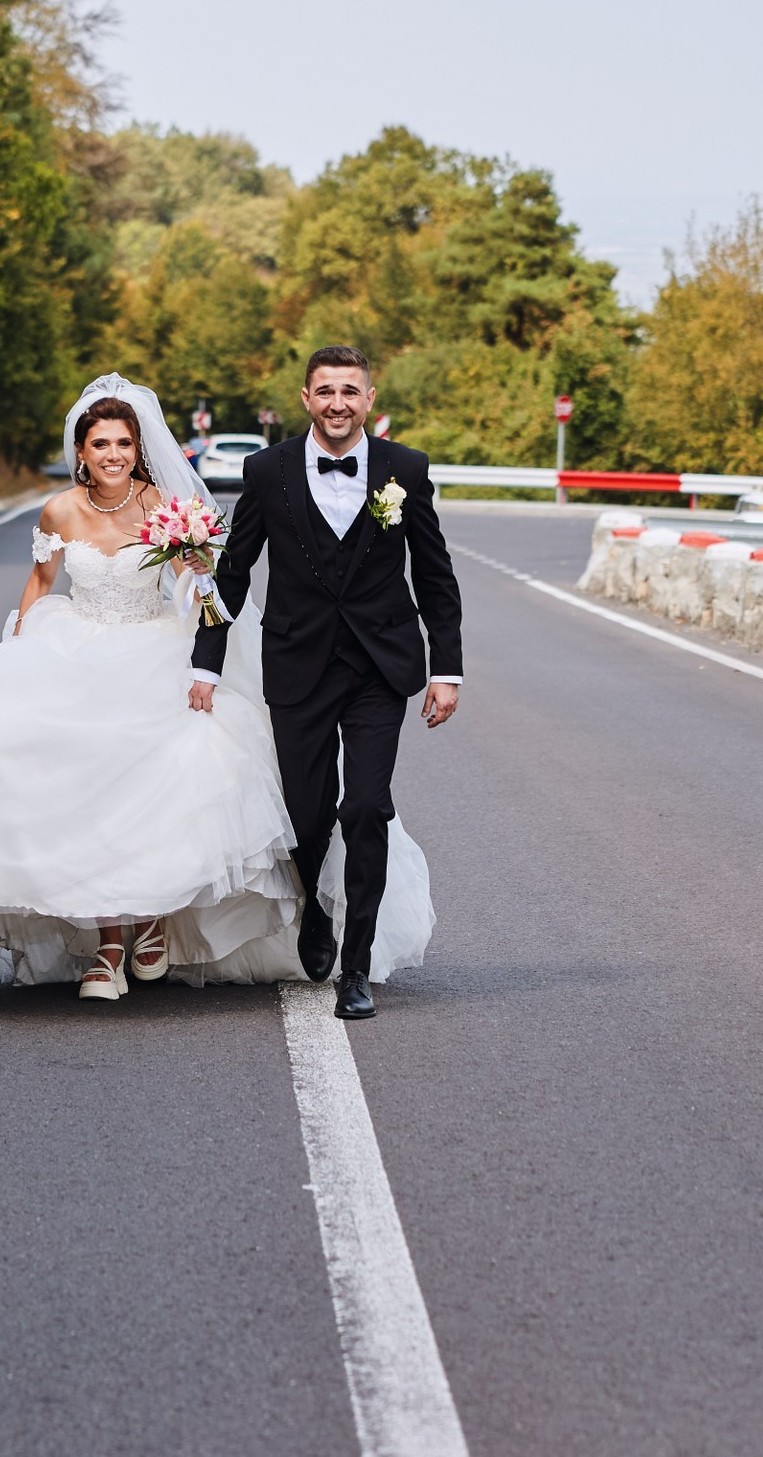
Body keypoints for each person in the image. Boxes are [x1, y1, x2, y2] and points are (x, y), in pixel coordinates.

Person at [0, 376, 439, 1001]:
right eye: (101, 444)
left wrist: (202, 599)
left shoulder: (164, 506)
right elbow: (41, 584)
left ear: (138, 449)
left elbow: (198, 585)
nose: (113, 454)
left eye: (123, 443)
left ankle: (149, 923)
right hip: (75, 648)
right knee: (72, 786)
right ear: (82, 452)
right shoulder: (59, 510)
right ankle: (108, 948)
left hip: (154, 647)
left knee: (168, 780)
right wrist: (18, 647)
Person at [188, 345, 464, 1020]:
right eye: (326, 390)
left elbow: (434, 575)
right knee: (307, 814)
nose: (339, 402)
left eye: (351, 390)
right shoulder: (266, 470)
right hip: (298, 663)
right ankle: (313, 907)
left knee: (365, 805)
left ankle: (358, 965)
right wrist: (206, 659)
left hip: (379, 667)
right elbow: (233, 569)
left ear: (369, 398)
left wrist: (446, 668)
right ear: (306, 398)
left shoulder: (406, 470)